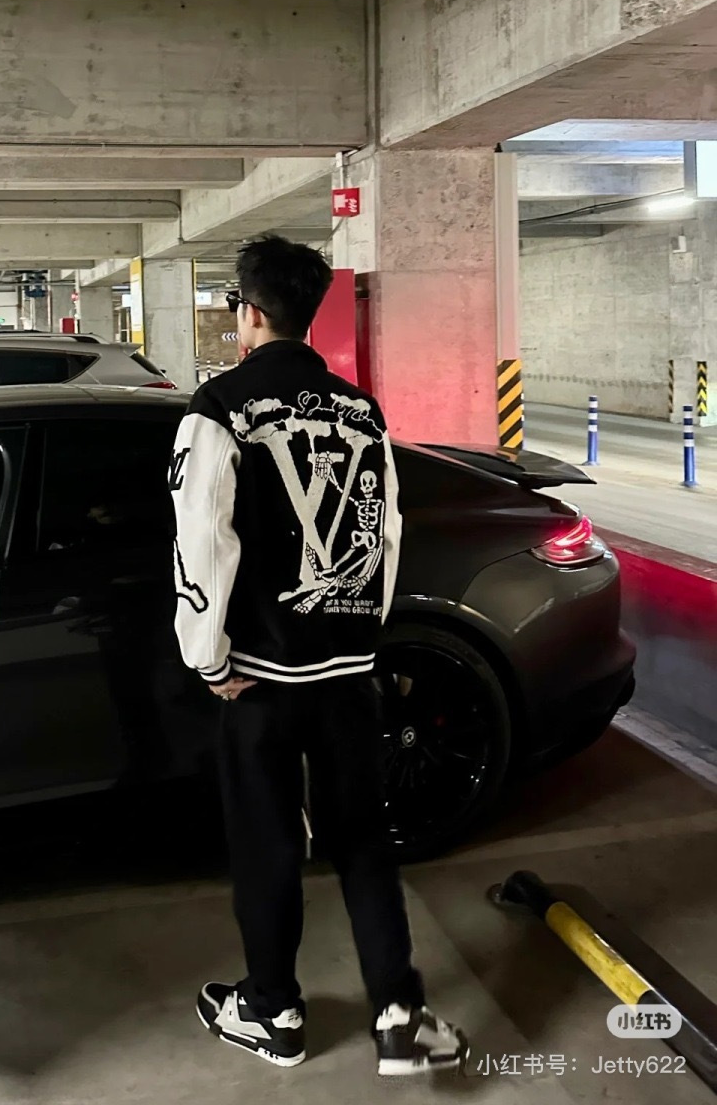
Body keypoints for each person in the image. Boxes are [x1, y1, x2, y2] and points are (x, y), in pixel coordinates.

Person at [169, 234, 467, 1078]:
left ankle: (273, 1010)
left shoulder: (219, 408)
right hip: (346, 674)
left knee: (267, 845)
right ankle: (399, 1015)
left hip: (258, 680)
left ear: (249, 313)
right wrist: (360, 636)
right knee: (363, 840)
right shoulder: (362, 412)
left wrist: (207, 658)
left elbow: (203, 542)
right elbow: (384, 536)